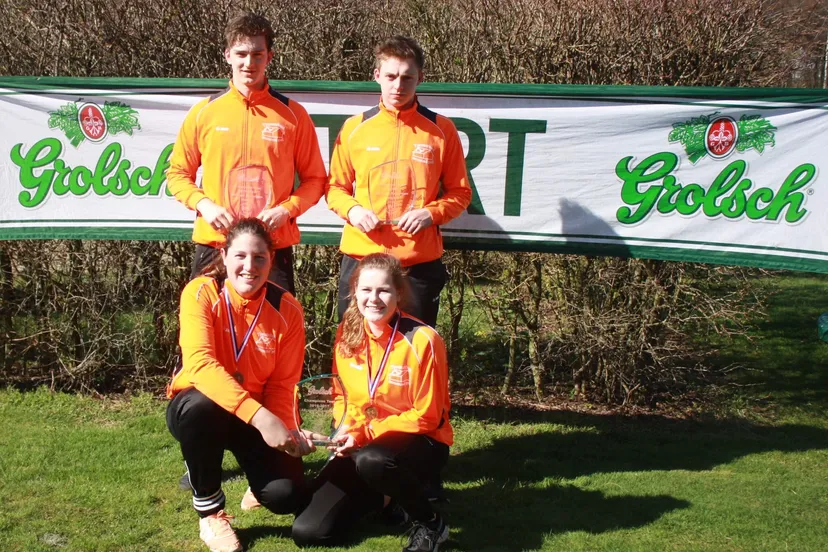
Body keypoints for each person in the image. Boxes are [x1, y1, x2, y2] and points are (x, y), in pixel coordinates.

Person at [166, 218, 314, 552]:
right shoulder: (201, 292)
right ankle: (211, 514)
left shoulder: (287, 309)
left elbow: (283, 383)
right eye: (241, 256)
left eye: (260, 257)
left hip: (254, 414)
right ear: (224, 255)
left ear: (271, 260)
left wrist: (286, 431)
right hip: (200, 408)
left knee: (285, 495)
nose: (250, 267)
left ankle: (255, 479)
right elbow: (200, 365)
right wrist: (262, 419)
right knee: (201, 407)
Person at [292, 253, 453, 552]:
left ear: (399, 293)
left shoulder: (423, 340)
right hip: (362, 443)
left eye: (383, 290)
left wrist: (363, 434)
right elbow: (340, 395)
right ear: (354, 291)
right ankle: (388, 500)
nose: (374, 298)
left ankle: (431, 524)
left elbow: (428, 416)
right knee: (309, 531)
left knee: (374, 460)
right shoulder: (347, 333)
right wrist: (343, 430)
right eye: (366, 289)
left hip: (421, 443)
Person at [167, 11, 326, 294]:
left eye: (257, 54)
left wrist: (286, 210)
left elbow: (316, 180)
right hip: (216, 241)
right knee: (204, 330)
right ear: (228, 55)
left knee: (273, 334)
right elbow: (178, 175)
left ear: (270, 57)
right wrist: (205, 206)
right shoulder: (204, 113)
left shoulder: (293, 115)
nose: (248, 63)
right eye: (241, 54)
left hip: (271, 245)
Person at [326, 35, 472, 327]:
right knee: (353, 348)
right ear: (377, 75)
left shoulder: (441, 129)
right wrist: (353, 211)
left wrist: (431, 214)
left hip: (415, 264)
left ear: (421, 78)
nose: (398, 85)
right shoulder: (355, 127)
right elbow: (334, 189)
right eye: (391, 76)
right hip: (362, 258)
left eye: (407, 77)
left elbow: (460, 193)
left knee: (413, 350)